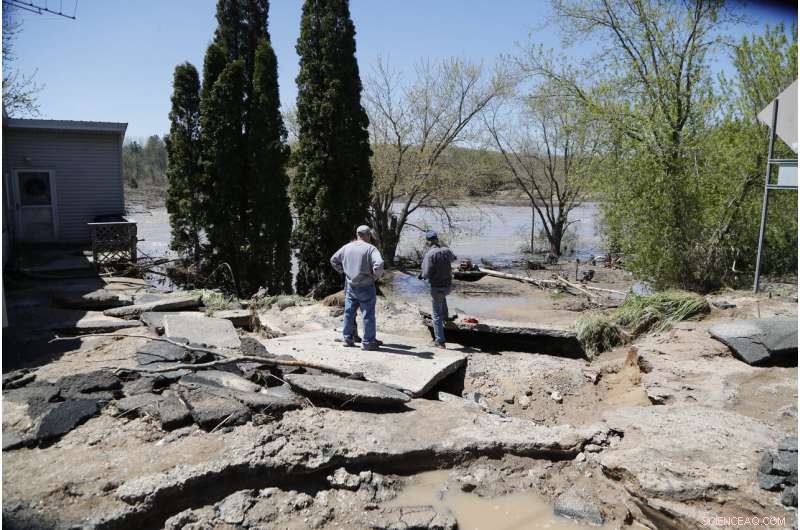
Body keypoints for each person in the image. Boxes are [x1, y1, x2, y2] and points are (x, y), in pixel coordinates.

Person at [330, 225, 385, 350]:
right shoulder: (371, 249)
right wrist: (375, 276)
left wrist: (343, 271)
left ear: (357, 234)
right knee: (368, 314)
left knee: (349, 313)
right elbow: (380, 263)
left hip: (350, 286)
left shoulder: (346, 247)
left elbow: (333, 260)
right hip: (366, 286)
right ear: (368, 235)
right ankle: (368, 342)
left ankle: (347, 339)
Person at [419, 230, 457, 348]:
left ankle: (440, 341)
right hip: (448, 286)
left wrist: (422, 276)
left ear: (428, 241)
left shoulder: (429, 254)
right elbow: (454, 258)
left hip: (437, 288)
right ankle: (446, 316)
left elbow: (425, 274)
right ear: (437, 239)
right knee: (442, 298)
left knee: (436, 315)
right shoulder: (446, 250)